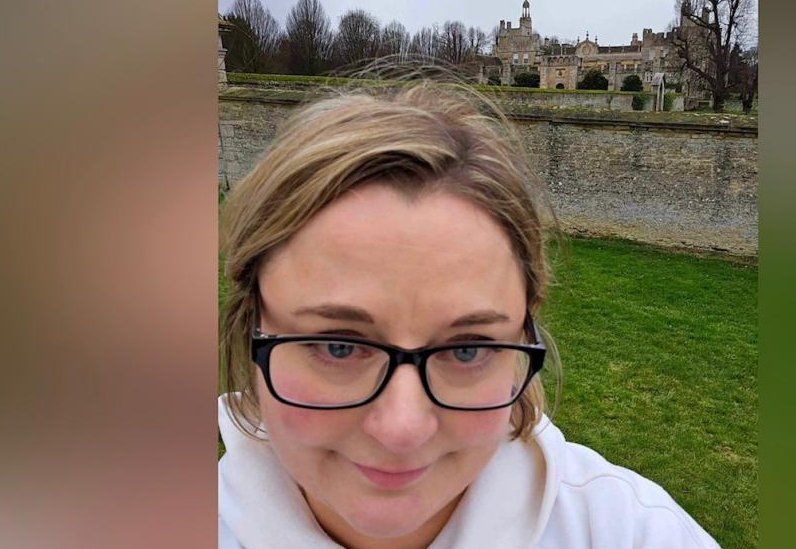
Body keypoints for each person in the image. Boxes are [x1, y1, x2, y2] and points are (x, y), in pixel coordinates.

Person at [218, 79, 721, 548]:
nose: (402, 429)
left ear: (524, 337)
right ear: (252, 328)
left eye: (467, 349)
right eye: (338, 346)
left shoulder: (632, 534)